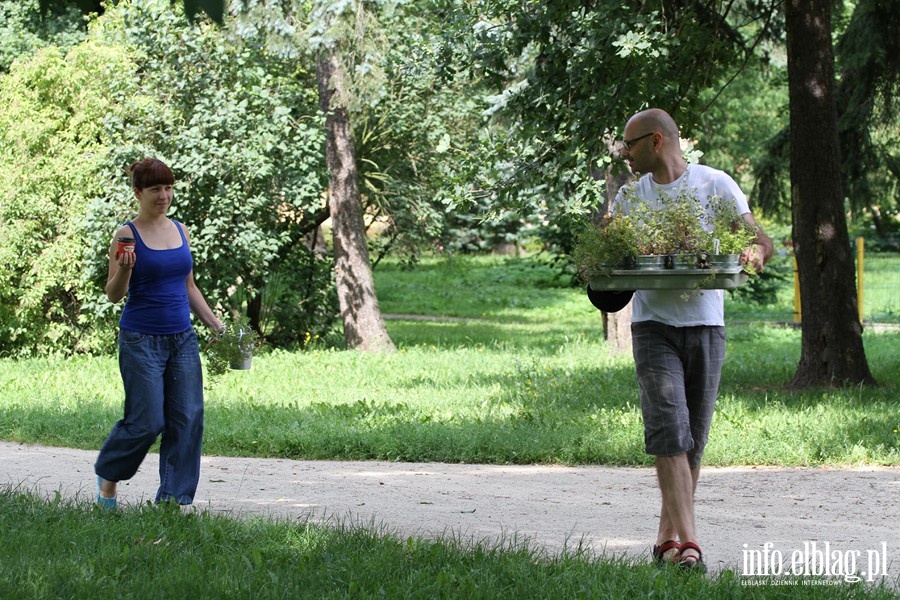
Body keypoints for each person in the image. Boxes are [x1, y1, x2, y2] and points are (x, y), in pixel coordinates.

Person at [613, 109, 773, 570]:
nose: (626, 152)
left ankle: (667, 539)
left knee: (692, 441)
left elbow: (761, 239)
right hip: (652, 326)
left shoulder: (714, 184)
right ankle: (693, 545)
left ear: (656, 140)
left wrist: (755, 251)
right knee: (668, 432)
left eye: (631, 144)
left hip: (706, 325)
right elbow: (610, 258)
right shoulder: (631, 198)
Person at [95, 158, 222, 509]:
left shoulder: (181, 230)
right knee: (146, 421)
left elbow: (189, 285)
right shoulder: (126, 234)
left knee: (188, 418)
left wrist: (215, 325)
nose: (164, 195)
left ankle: (172, 502)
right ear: (138, 192)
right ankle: (108, 478)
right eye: (155, 189)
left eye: (168, 188)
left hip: (181, 339)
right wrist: (123, 270)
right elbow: (114, 294)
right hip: (141, 339)